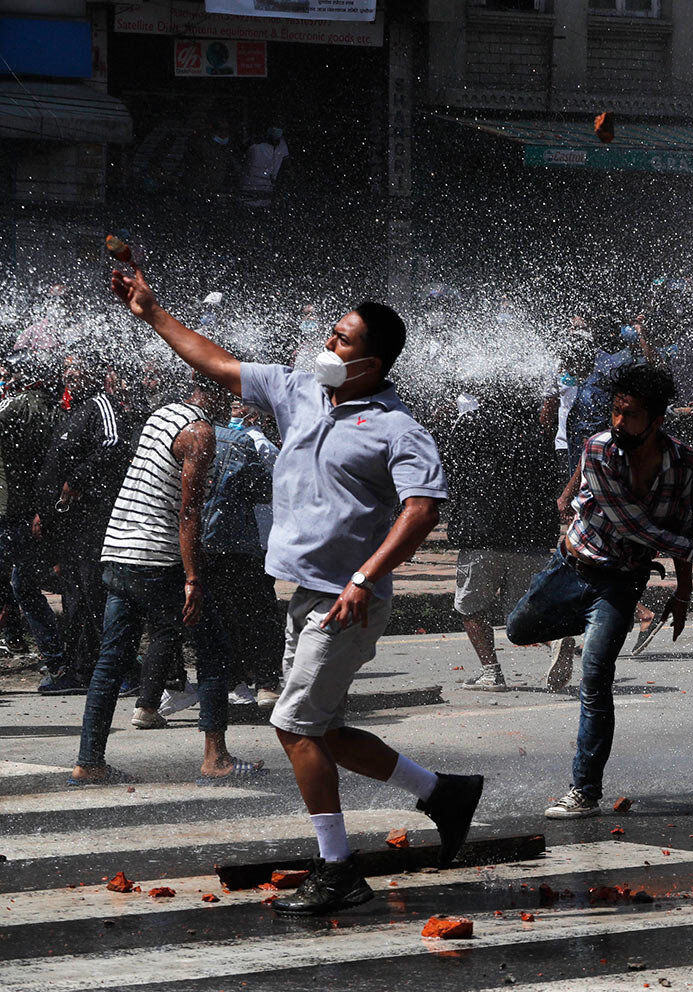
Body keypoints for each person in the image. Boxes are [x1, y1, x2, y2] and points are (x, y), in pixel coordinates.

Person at [109, 260, 482, 916]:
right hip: (306, 595)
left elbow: (422, 509)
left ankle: (338, 868)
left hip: (349, 600)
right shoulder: (301, 392)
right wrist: (151, 311)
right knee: (325, 731)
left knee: (292, 724)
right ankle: (442, 794)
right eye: (333, 333)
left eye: (343, 340)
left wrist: (367, 577)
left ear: (374, 361)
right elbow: (220, 365)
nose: (328, 345)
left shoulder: (397, 427)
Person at [506, 363, 693, 819]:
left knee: (595, 678)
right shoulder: (598, 450)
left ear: (658, 419)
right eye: (616, 412)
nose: (619, 423)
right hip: (570, 567)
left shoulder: (683, 461)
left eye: (631, 415)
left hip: (620, 583)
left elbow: (680, 523)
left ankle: (584, 791)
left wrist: (683, 594)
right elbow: (634, 524)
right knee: (517, 630)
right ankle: (580, 628)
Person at [73, 374, 259, 785]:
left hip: (118, 549)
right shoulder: (200, 432)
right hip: (155, 559)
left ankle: (89, 761)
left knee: (110, 660)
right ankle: (216, 758)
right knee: (213, 648)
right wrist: (192, 577)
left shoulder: (163, 414)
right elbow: (189, 511)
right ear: (217, 391)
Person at [34, 367, 145, 696]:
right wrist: (45, 509)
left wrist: (78, 480)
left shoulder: (102, 405)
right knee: (74, 596)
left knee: (98, 592)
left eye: (77, 369)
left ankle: (127, 668)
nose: (70, 375)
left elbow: (114, 444)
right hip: (70, 522)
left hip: (96, 517)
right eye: (66, 369)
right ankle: (81, 669)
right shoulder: (69, 412)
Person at [444, 380, 557, 690]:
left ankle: (491, 672)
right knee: (525, 612)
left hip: (482, 533)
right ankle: (560, 642)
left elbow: (452, 469)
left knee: (472, 607)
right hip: (529, 537)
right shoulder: (534, 430)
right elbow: (549, 478)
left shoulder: (471, 422)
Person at [199, 407, 282, 707]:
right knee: (257, 610)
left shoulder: (216, 438)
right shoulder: (252, 444)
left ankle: (241, 680)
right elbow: (270, 488)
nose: (234, 411)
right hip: (251, 540)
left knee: (231, 611)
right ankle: (263, 680)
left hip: (224, 540)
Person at [0, 357, 65, 685]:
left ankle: (58, 659)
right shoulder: (56, 410)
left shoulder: (17, 407)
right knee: (24, 585)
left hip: (14, 510)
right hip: (35, 508)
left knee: (22, 585)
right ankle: (58, 658)